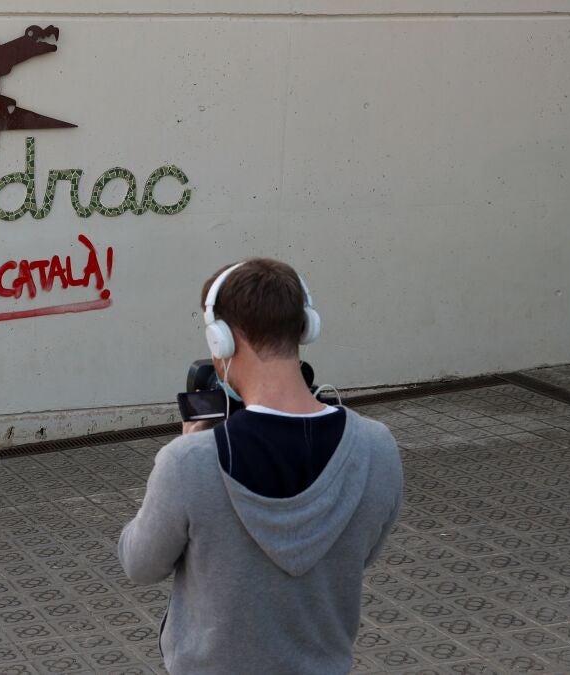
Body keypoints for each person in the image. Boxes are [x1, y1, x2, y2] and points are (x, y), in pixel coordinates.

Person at [118, 257, 403, 674]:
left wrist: (183, 457)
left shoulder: (189, 462)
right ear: (305, 327)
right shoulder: (377, 447)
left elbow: (140, 564)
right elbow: (361, 554)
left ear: (221, 340)